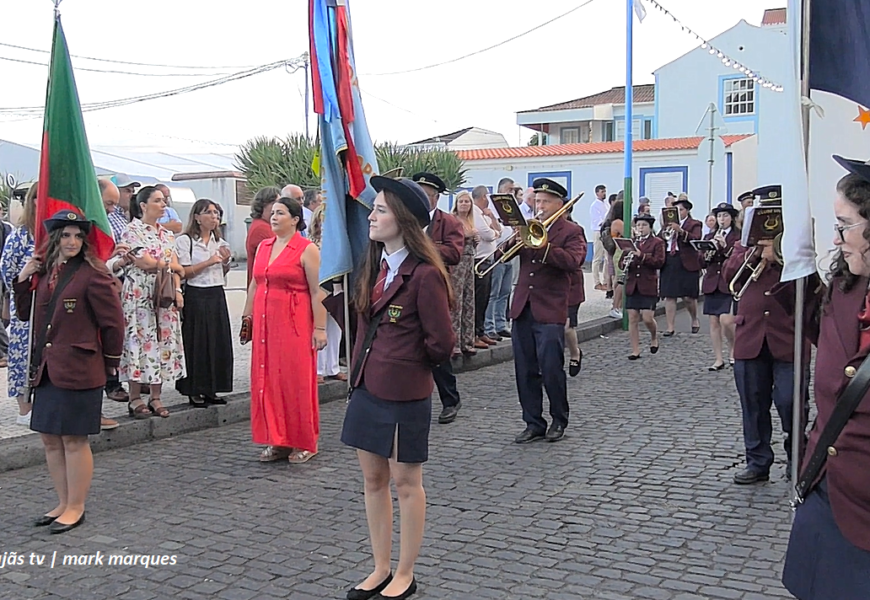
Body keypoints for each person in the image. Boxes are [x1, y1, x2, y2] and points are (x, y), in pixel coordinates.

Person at [341, 176, 454, 600]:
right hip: (366, 386)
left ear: (402, 220)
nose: (371, 216)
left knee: (406, 483)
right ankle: (380, 567)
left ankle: (405, 573)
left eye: (381, 210)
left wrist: (404, 363)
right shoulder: (373, 266)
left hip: (404, 392)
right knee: (373, 480)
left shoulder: (425, 275)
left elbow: (442, 343)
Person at [781, 155, 870, 599]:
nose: (836, 238)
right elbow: (825, 338)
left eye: (845, 225)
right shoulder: (847, 285)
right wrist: (791, 266)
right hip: (825, 487)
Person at [14, 211, 124, 534]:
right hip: (47, 369)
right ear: (55, 239)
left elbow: (113, 323)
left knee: (74, 439)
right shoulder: (46, 272)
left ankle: (77, 505)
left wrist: (110, 363)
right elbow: (25, 314)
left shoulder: (93, 273)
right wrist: (23, 279)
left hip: (80, 368)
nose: (72, 241)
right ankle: (63, 502)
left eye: (78, 236)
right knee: (50, 439)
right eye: (65, 235)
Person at [722, 185, 806, 485]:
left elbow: (808, 284)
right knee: (753, 405)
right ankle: (757, 462)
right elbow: (729, 278)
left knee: (790, 402)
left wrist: (781, 253)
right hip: (751, 337)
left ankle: (798, 459)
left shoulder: (798, 247)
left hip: (788, 336)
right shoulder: (743, 246)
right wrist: (752, 249)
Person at [242, 196, 327, 464]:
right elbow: (255, 283)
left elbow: (318, 291)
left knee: (294, 380)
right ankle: (277, 439)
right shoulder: (264, 246)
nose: (274, 217)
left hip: (294, 323)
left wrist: (320, 328)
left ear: (295, 219)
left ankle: (304, 440)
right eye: (273, 213)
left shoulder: (306, 249)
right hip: (265, 324)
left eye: (280, 213)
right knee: (268, 380)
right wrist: (247, 316)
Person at [511, 178, 585, 444]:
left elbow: (573, 262)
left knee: (551, 368)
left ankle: (558, 419)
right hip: (523, 307)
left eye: (545, 202)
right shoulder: (528, 226)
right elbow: (502, 256)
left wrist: (545, 246)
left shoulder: (572, 231)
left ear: (559, 204)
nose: (539, 207)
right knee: (525, 370)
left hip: (551, 308)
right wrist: (514, 237)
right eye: (537, 201)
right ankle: (533, 422)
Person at [118, 186, 186, 419]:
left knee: (162, 340)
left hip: (164, 293)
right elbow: (144, 262)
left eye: (164, 200)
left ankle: (156, 396)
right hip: (140, 293)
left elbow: (176, 266)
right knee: (139, 340)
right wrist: (169, 265)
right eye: (157, 200)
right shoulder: (132, 231)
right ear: (143, 205)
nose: (163, 204)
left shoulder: (166, 234)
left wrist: (177, 289)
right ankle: (134, 396)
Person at [412, 172, 465, 425]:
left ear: (435, 198)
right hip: (407, 287)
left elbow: (454, 254)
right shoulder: (406, 218)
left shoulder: (449, 222)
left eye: (425, 195)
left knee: (437, 344)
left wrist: (421, 245)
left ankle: (450, 400)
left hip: (435, 289)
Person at [175, 199, 233, 406]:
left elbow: (222, 271)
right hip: (196, 293)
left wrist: (225, 262)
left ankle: (213, 387)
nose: (214, 217)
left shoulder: (220, 242)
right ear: (197, 217)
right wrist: (209, 262)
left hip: (216, 292)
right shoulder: (186, 241)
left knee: (217, 341)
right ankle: (194, 388)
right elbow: (183, 272)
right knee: (197, 342)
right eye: (209, 212)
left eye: (216, 213)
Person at [1, 183, 37, 426]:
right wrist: (26, 273)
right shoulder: (20, 235)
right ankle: (24, 408)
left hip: (51, 306)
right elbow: (6, 271)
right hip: (25, 305)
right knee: (22, 353)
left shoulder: (57, 234)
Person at [701, 202, 740, 371]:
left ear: (732, 218)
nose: (722, 219)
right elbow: (701, 261)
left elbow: (737, 259)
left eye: (725, 216)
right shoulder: (710, 236)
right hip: (712, 282)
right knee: (713, 322)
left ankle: (733, 350)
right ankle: (718, 358)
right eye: (719, 216)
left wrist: (724, 247)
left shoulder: (737, 237)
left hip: (727, 282)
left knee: (726, 320)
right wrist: (706, 252)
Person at [620, 214, 666, 359]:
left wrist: (641, 255)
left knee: (647, 318)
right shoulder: (631, 242)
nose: (641, 228)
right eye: (638, 225)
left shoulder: (657, 242)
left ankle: (654, 336)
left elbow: (659, 262)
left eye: (644, 225)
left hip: (648, 284)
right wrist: (625, 262)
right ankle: (635, 350)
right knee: (633, 318)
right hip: (633, 284)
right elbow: (621, 262)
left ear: (650, 227)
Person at [659, 196, 702, 336]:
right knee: (669, 296)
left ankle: (694, 319)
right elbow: (660, 239)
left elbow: (696, 239)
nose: (678, 213)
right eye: (676, 210)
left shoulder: (695, 224)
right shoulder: (668, 224)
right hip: (670, 259)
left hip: (687, 261)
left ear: (687, 211)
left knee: (688, 297)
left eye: (681, 210)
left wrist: (681, 231)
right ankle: (670, 327)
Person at [450, 190, 478, 356]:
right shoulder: (452, 220)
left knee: (469, 300)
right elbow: (451, 240)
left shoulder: (470, 220)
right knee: (457, 301)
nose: (464, 204)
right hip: (457, 263)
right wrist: (467, 235)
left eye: (467, 201)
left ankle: (468, 341)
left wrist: (475, 240)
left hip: (469, 260)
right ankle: (454, 343)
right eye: (461, 201)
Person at [564, 209, 588, 376]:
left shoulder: (575, 230)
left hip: (571, 285)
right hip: (549, 287)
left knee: (567, 327)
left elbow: (579, 257)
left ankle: (575, 353)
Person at [245, 186, 280, 286]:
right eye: (274, 203)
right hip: (263, 285)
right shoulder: (262, 228)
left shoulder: (262, 225)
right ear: (263, 204)